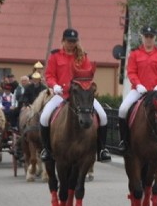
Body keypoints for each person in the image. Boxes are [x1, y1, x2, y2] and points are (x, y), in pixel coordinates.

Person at [38, 28, 111, 163]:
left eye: (73, 41)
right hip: (62, 94)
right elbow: (49, 75)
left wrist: (86, 88)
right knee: (44, 116)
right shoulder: (55, 56)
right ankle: (46, 150)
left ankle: (102, 149)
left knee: (103, 116)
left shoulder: (82, 56)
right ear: (63, 41)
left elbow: (88, 75)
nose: (71, 44)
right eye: (68, 41)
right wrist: (54, 85)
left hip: (81, 95)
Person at [117, 25, 157, 151]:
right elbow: (131, 72)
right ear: (142, 37)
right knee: (123, 109)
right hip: (139, 90)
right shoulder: (135, 54)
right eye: (146, 37)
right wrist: (138, 85)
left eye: (151, 37)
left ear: (155, 38)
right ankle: (124, 141)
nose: (148, 39)